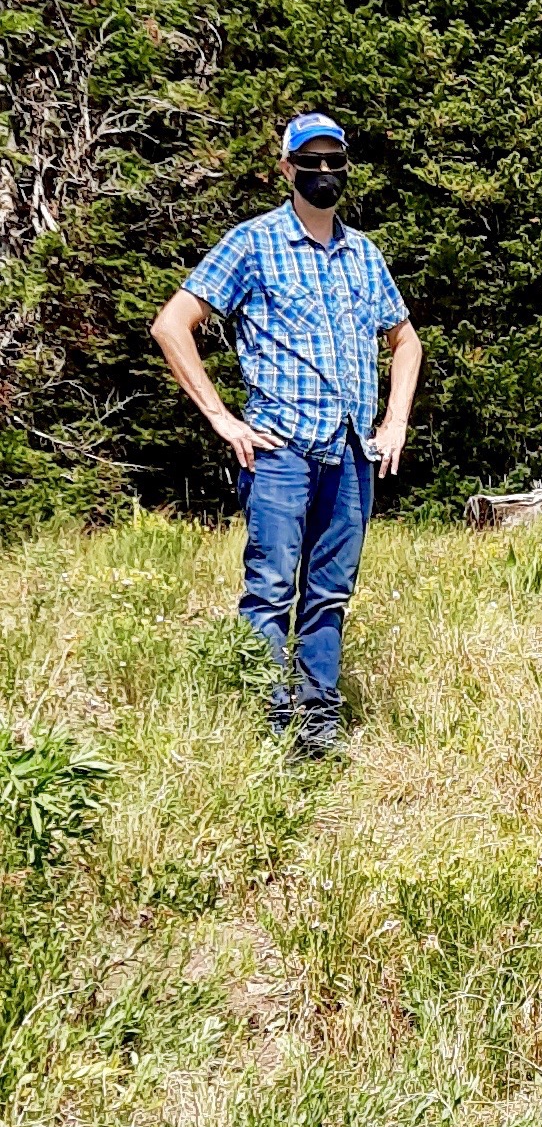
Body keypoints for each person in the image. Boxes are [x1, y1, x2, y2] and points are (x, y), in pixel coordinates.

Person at [150, 113, 421, 756]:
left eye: (335, 162)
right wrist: (221, 417)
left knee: (329, 593)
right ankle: (264, 726)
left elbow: (405, 341)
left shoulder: (364, 253)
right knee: (270, 590)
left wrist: (396, 422)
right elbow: (172, 324)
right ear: (287, 169)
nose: (324, 174)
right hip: (279, 450)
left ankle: (317, 720)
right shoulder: (253, 243)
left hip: (353, 450)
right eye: (311, 162)